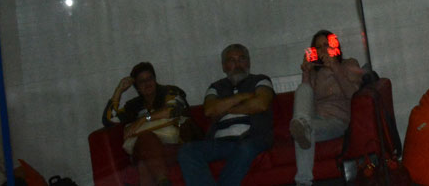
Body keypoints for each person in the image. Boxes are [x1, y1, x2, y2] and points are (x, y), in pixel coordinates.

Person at [177, 44, 274, 186]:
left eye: (241, 59)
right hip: (222, 143)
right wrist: (243, 96)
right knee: (187, 151)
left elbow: (261, 104)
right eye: (231, 60)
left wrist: (225, 108)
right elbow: (209, 110)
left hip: (253, 138)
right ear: (224, 66)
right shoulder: (215, 87)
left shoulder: (260, 80)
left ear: (249, 62)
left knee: (245, 147)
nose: (237, 64)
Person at [289, 31, 364, 186]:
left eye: (326, 45)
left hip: (337, 121)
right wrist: (306, 73)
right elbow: (307, 102)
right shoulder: (316, 72)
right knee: (303, 91)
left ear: (335, 46)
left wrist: (335, 67)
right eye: (318, 47)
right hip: (314, 118)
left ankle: (303, 182)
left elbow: (353, 95)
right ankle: (302, 124)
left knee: (304, 129)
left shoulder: (349, 64)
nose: (323, 50)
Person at [101, 62, 194, 186]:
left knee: (144, 163)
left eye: (150, 78)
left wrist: (143, 119)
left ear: (155, 80)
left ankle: (163, 181)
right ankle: (163, 182)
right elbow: (109, 120)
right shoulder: (134, 105)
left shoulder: (169, 91)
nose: (147, 83)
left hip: (173, 146)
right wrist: (119, 90)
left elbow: (174, 109)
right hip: (146, 149)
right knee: (146, 141)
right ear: (137, 87)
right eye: (142, 81)